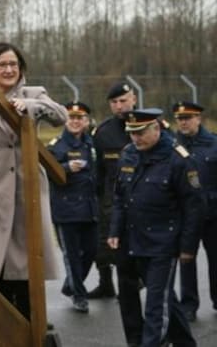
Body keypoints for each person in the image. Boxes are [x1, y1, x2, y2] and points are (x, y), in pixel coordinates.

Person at [0, 42, 66, 320]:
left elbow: (60, 117)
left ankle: (30, 330)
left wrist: (30, 106)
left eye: (13, 64)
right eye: (2, 65)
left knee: (26, 272)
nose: (8, 69)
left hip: (25, 192)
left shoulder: (34, 94)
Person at [107, 108, 202, 347]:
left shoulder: (178, 158)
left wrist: (188, 247)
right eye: (132, 133)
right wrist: (115, 231)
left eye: (140, 133)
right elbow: (119, 197)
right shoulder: (128, 154)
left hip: (163, 242)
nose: (135, 138)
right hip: (131, 239)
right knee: (148, 300)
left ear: (156, 128)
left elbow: (193, 206)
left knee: (155, 304)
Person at [93, 81, 144, 344]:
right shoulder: (102, 133)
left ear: (134, 98)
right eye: (114, 102)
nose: (119, 106)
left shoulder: (151, 125)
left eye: (123, 100)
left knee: (157, 283)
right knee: (126, 281)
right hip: (117, 212)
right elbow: (100, 178)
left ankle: (171, 332)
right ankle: (135, 338)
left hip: (148, 214)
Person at [47, 102, 98, 313]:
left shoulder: (91, 143)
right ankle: (79, 294)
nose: (75, 121)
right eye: (71, 118)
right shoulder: (56, 145)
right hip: (66, 210)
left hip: (89, 208)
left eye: (80, 118)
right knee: (72, 255)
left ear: (86, 121)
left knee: (92, 251)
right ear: (65, 120)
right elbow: (46, 171)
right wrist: (66, 168)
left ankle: (71, 285)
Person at [172, 101, 217, 322]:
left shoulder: (213, 144)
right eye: (180, 119)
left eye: (188, 118)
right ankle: (189, 304)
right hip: (184, 215)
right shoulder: (171, 146)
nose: (184, 122)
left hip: (212, 214)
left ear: (199, 118)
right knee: (186, 259)